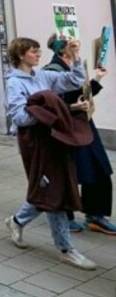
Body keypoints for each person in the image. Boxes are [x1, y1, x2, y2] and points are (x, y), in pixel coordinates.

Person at [3, 37, 97, 270]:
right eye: (33, 52)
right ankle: (66, 249)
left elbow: (74, 80)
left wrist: (75, 55)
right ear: (21, 55)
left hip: (54, 138)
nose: (38, 55)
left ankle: (16, 221)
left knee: (53, 187)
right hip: (34, 142)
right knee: (52, 189)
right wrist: (52, 109)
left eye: (37, 51)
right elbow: (20, 117)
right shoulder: (15, 83)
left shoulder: (42, 76)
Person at [43, 35, 116, 234]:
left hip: (84, 123)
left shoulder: (75, 65)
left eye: (77, 41)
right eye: (71, 43)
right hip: (66, 127)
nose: (77, 44)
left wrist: (97, 79)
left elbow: (84, 94)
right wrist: (73, 106)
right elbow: (51, 105)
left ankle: (96, 215)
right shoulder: (52, 71)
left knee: (99, 167)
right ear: (61, 49)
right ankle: (64, 215)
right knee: (68, 172)